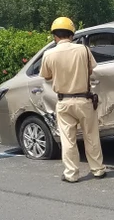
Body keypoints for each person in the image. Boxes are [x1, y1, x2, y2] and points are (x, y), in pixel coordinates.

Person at [40, 16, 107, 183]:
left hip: (63, 102)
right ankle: (98, 169)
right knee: (91, 136)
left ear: (55, 35)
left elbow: (46, 76)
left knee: (68, 140)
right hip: (84, 100)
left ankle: (71, 173)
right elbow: (91, 70)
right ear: (72, 34)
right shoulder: (83, 50)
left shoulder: (49, 54)